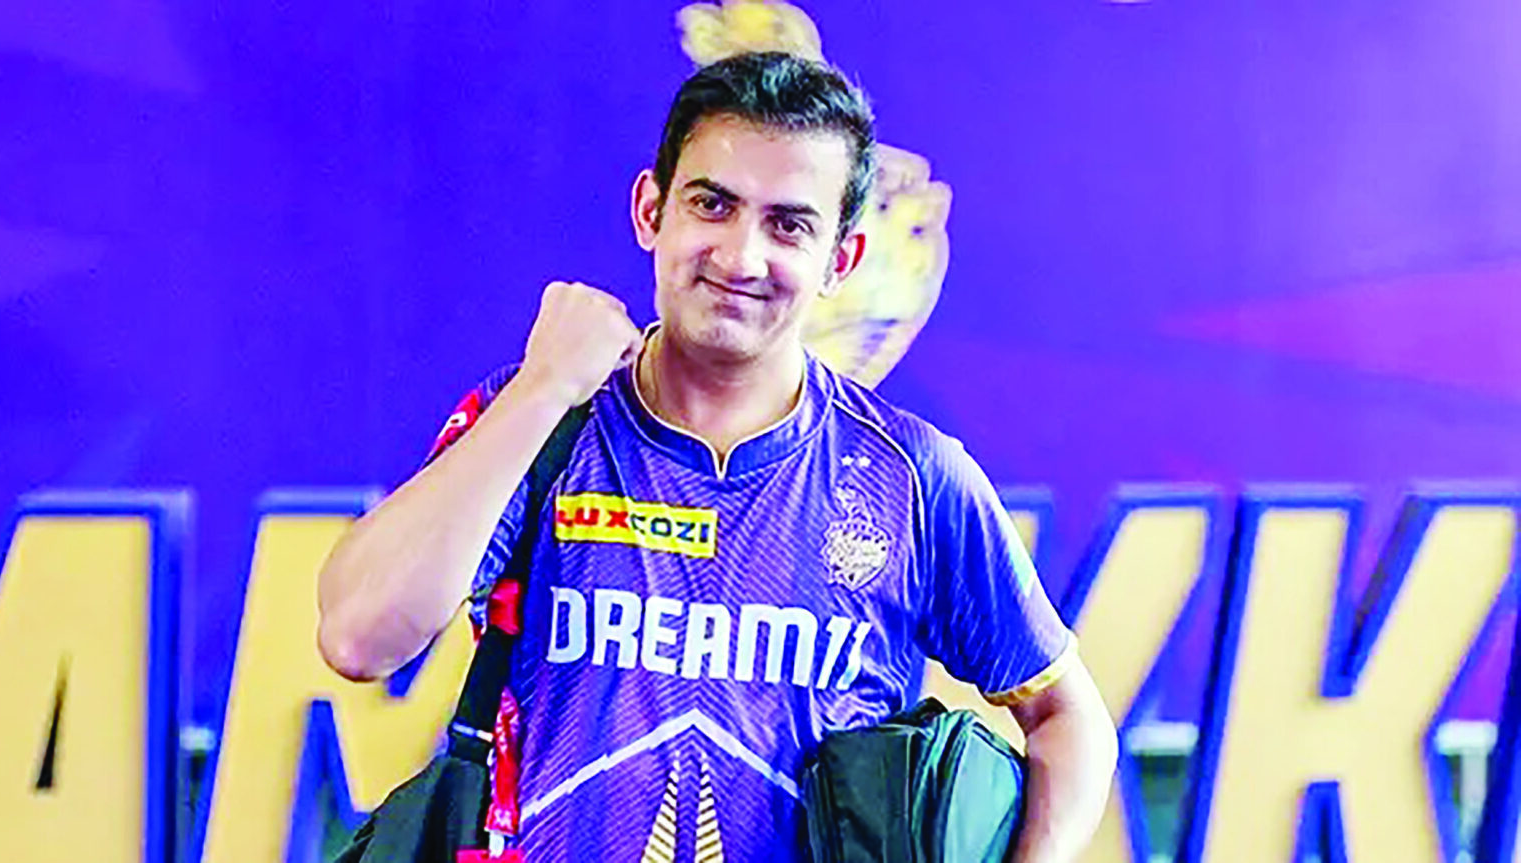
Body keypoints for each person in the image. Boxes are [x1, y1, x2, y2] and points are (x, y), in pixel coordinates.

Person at [317, 51, 1117, 863]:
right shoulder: (541, 421)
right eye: (713, 204)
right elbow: (358, 639)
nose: (740, 257)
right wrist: (541, 388)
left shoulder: (909, 475)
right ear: (650, 210)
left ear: (840, 259)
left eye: (788, 225)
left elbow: (1068, 717)